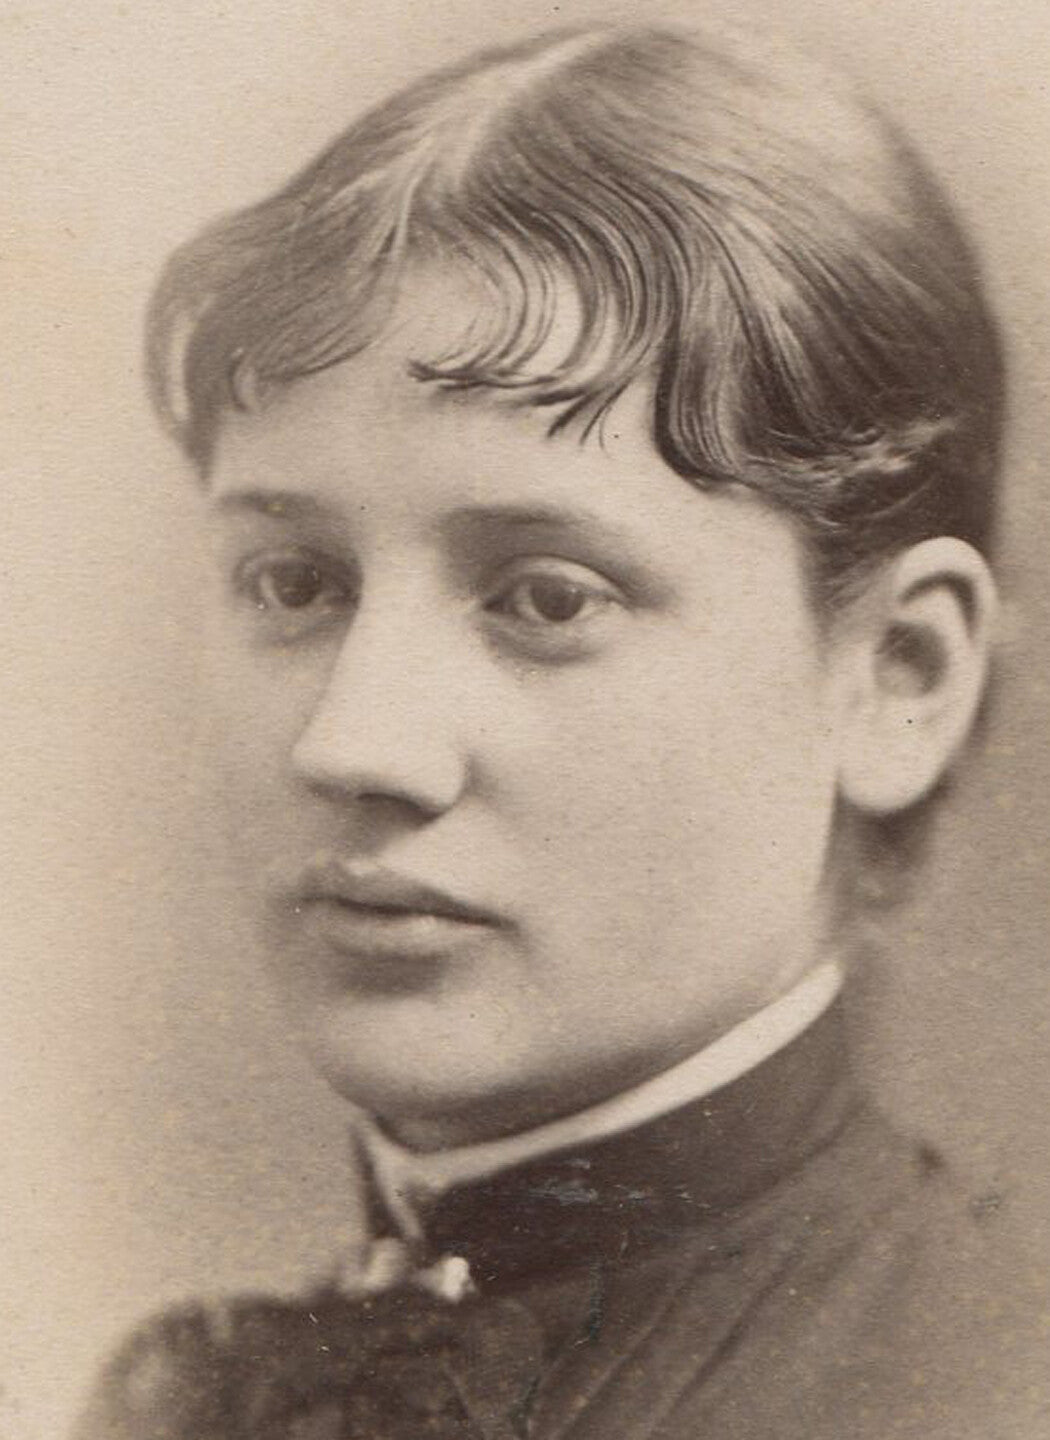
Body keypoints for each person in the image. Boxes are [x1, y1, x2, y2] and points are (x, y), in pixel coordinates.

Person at [75, 20, 1047, 1439]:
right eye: (293, 583)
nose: (353, 743)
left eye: (544, 597)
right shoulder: (186, 1401)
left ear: (896, 675)